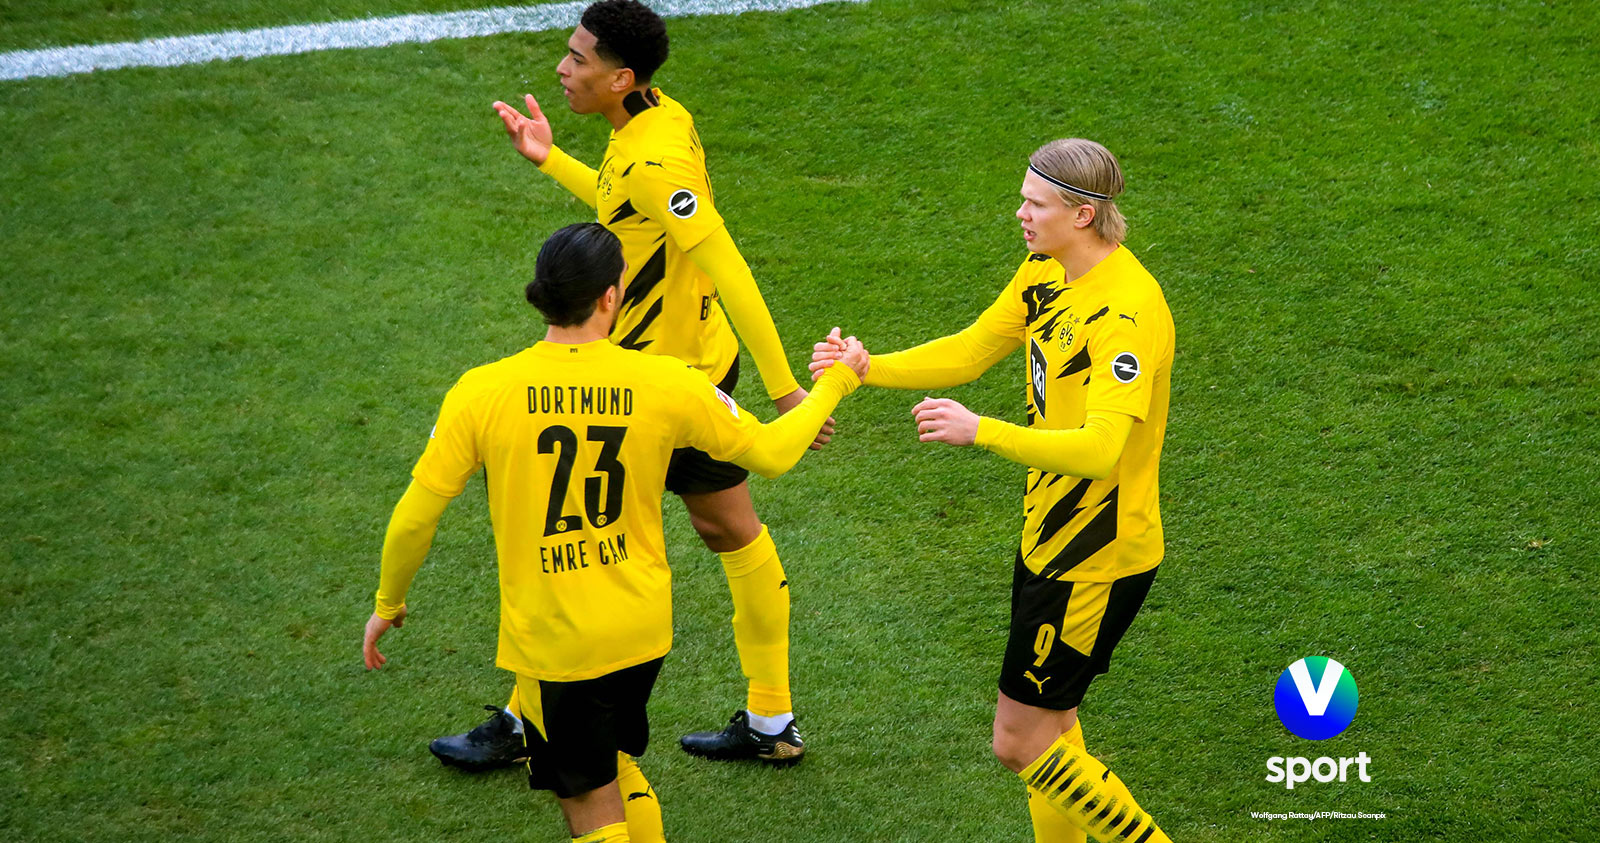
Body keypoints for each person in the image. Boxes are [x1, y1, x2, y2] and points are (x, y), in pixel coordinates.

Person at [362, 223, 866, 843]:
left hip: (557, 641)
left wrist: (389, 601)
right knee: (615, 766)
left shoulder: (481, 392)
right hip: (641, 628)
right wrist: (838, 380)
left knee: (589, 804)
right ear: (610, 296)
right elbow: (773, 451)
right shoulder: (669, 381)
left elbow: (416, 516)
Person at [431, 0, 822, 770]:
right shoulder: (653, 118)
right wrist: (550, 158)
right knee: (727, 532)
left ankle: (531, 721)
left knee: (573, 541)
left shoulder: (654, 157)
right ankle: (768, 720)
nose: (562, 68)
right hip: (684, 366)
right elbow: (626, 212)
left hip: (650, 387)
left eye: (579, 59)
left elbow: (728, 267)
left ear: (621, 77)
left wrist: (786, 391)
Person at [811, 139, 1176, 843]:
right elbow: (974, 347)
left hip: (1094, 556)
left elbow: (1102, 450)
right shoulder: (1046, 271)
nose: (1020, 214)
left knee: (1019, 742)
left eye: (1035, 204)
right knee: (1054, 727)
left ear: (1083, 214)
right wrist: (866, 367)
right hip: (1050, 535)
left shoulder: (1126, 314)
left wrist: (981, 431)